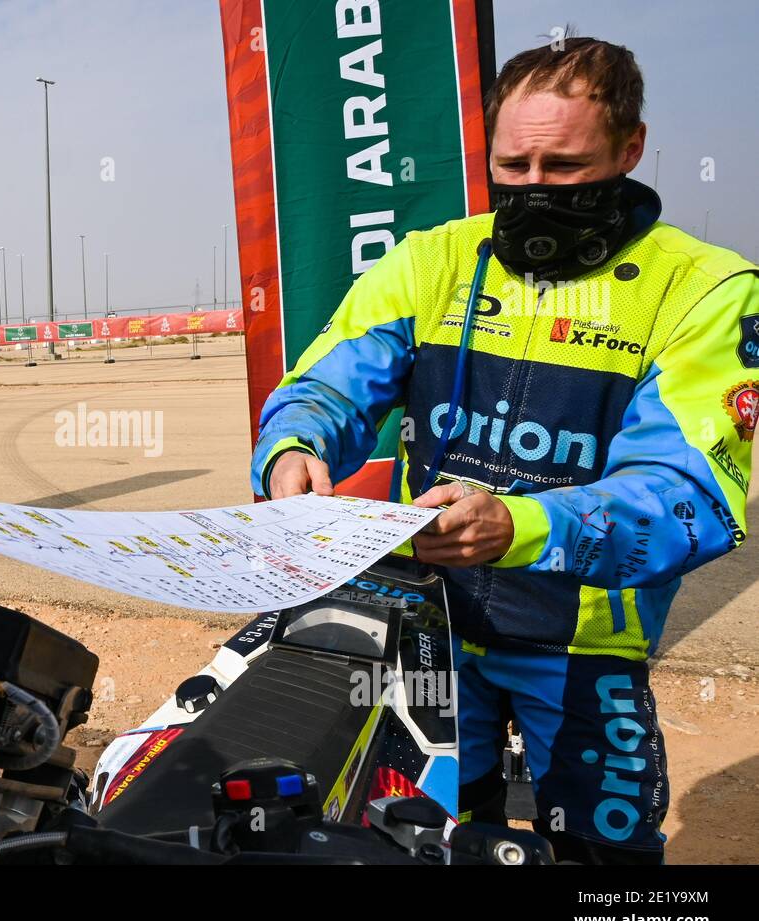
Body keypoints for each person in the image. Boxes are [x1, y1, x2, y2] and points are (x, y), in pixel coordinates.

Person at [251, 37, 758, 864]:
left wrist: (521, 525)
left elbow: (688, 497)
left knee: (610, 866)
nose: (532, 188)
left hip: (583, 648)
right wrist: (293, 448)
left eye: (563, 167)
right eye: (511, 165)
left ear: (630, 148)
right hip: (428, 624)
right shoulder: (433, 259)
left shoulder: (706, 289)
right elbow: (325, 385)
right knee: (419, 842)